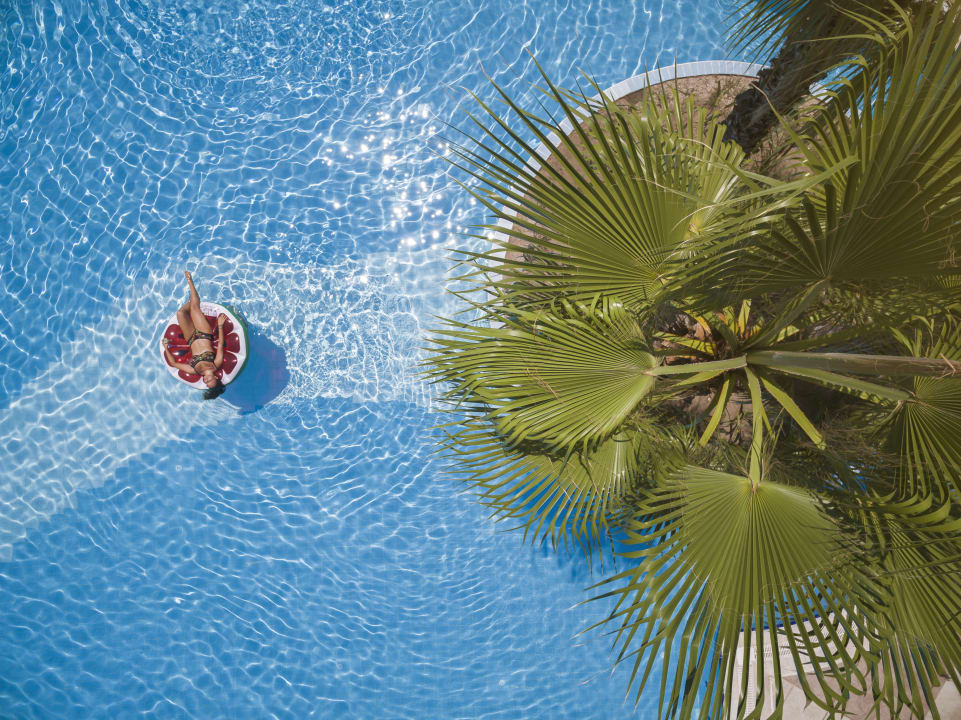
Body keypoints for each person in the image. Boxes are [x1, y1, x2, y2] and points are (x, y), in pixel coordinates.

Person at [162, 271, 227, 399]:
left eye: (207, 385)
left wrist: (165, 347)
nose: (207, 383)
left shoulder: (195, 371)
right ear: (216, 378)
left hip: (190, 338)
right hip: (204, 334)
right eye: (211, 383)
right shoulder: (216, 364)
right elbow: (220, 345)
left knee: (180, 313)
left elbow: (174, 364)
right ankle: (190, 281)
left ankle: (192, 299)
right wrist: (220, 326)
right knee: (195, 309)